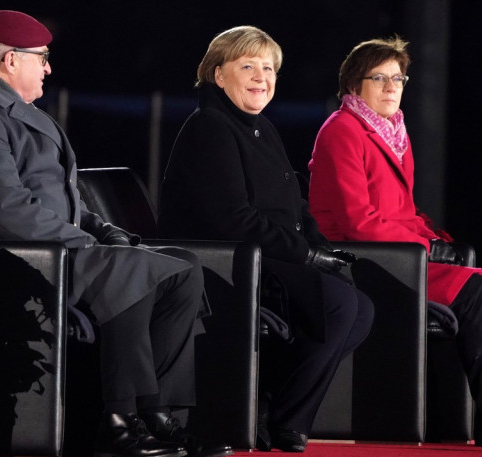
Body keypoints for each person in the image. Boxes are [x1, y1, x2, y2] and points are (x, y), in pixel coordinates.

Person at [0, 10, 233, 457]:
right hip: (9, 259)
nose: (48, 67)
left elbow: (66, 200)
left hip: (54, 249)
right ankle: (118, 423)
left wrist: (105, 231)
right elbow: (9, 209)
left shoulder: (22, 113)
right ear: (11, 60)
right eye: (42, 58)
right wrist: (88, 244)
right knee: (131, 271)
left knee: (182, 266)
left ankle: (160, 414)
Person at [307, 36, 482, 450]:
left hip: (398, 255)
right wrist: (426, 248)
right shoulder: (343, 130)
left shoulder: (392, 132)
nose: (391, 87)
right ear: (353, 85)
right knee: (475, 291)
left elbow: (404, 210)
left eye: (398, 78)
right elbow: (357, 221)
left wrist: (437, 239)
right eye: (379, 78)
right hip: (365, 260)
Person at [157, 26, 375, 453]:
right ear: (218, 75)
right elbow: (231, 219)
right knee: (340, 305)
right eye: (248, 66)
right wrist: (308, 255)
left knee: (361, 309)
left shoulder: (260, 127)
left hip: (269, 255)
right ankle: (285, 418)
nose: (262, 76)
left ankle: (272, 405)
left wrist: (318, 247)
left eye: (269, 67)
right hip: (226, 261)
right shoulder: (211, 127)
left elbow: (294, 205)